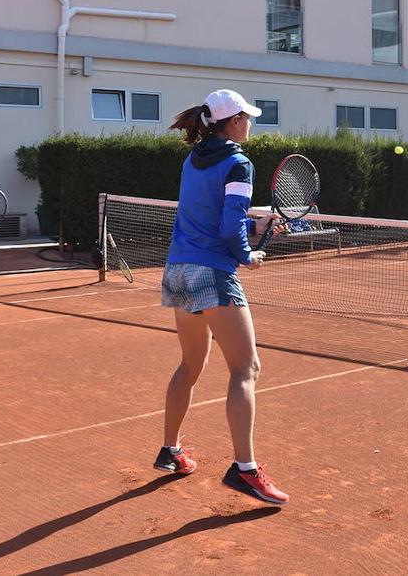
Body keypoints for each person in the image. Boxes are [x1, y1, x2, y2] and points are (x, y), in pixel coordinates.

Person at [156, 89, 289, 504]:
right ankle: (245, 470)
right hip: (212, 272)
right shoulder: (239, 163)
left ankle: (170, 450)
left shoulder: (193, 159)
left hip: (178, 269)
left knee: (190, 364)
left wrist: (252, 229)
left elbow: (212, 218)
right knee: (247, 368)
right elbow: (230, 226)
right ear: (232, 123)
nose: (250, 123)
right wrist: (247, 254)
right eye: (246, 117)